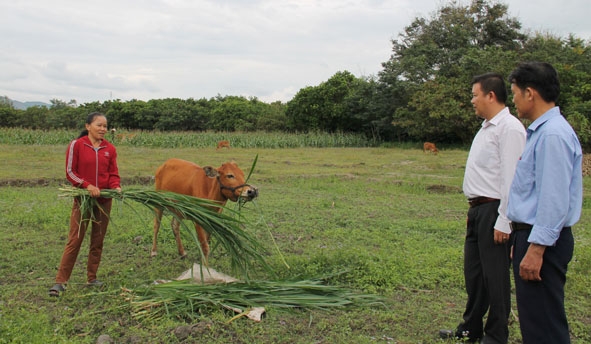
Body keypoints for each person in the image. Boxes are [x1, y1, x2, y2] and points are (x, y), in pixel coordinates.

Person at [440, 73, 526, 343]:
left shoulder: (509, 128)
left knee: (495, 277)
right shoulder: (486, 126)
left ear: (491, 95)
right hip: (477, 210)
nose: (472, 100)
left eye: (475, 94)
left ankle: (497, 335)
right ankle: (470, 329)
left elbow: (512, 178)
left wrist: (504, 220)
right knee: (475, 275)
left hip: (495, 210)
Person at [507, 62, 582, 343]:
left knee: (544, 326)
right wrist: (523, 240)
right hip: (532, 235)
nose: (512, 99)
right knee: (535, 319)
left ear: (529, 93)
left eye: (514, 92)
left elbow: (554, 199)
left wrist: (536, 248)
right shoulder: (543, 132)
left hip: (545, 242)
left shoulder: (552, 135)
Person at [49, 112, 121, 297]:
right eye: (99, 125)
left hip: (104, 201)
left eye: (105, 126)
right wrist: (87, 186)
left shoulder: (110, 149)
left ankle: (92, 277)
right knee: (75, 240)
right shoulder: (77, 145)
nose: (103, 129)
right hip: (83, 200)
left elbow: (113, 173)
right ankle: (60, 282)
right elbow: (70, 172)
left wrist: (116, 187)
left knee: (97, 241)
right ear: (88, 126)